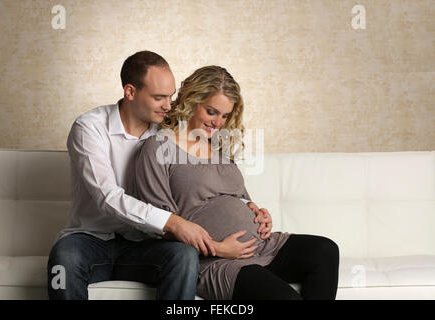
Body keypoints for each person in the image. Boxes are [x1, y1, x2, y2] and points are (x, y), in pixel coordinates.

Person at [47, 51, 259, 300]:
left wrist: (248, 203)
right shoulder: (90, 127)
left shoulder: (170, 130)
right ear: (130, 92)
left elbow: (213, 170)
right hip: (92, 238)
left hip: (148, 243)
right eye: (159, 97)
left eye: (170, 96)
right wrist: (173, 222)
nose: (169, 105)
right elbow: (108, 197)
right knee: (64, 259)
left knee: (183, 256)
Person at [132, 65, 340, 300]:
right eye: (211, 112)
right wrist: (217, 247)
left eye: (225, 115)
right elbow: (159, 223)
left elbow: (239, 198)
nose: (217, 122)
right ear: (191, 100)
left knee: (324, 250)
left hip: (262, 247)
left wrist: (258, 212)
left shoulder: (219, 148)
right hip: (217, 260)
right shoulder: (159, 147)